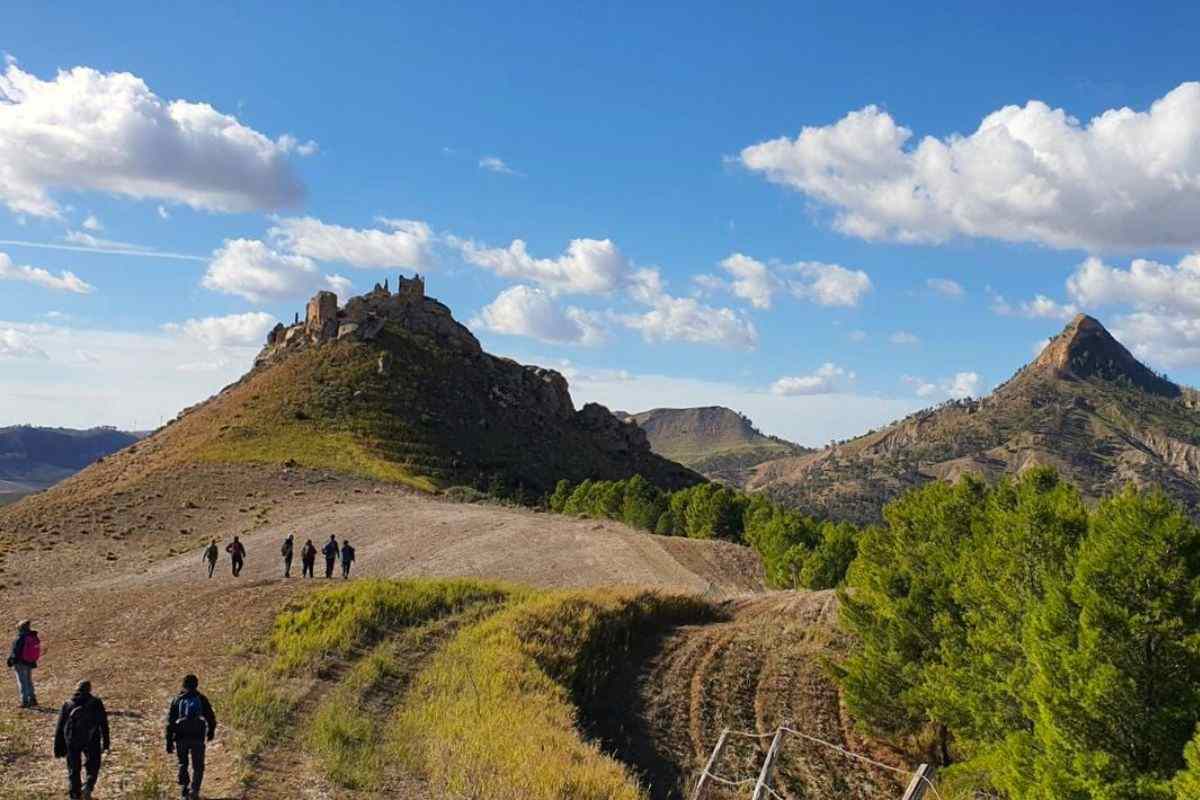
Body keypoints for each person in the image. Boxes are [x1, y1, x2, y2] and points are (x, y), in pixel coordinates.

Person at [54, 679, 110, 800]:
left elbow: (60, 726)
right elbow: (103, 723)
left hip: (72, 740)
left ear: (76, 689)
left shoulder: (68, 704)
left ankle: (75, 794)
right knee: (93, 764)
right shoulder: (96, 702)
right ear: (89, 689)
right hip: (92, 738)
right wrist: (106, 743)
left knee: (73, 768)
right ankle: (88, 786)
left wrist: (58, 747)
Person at [166, 674, 217, 800]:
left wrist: (169, 741)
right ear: (196, 684)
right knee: (198, 766)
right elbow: (211, 718)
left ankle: (184, 789)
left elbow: (170, 723)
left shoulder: (177, 699)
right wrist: (210, 732)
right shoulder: (201, 698)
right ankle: (194, 791)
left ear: (183, 685)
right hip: (198, 737)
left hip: (181, 737)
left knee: (183, 763)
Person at [7, 619, 40, 707]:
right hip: (29, 662)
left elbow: (15, 652)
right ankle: (33, 699)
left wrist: (10, 661)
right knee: (29, 681)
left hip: (20, 663)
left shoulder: (20, 638)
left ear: (20, 628)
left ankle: (24, 701)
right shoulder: (33, 636)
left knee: (22, 682)